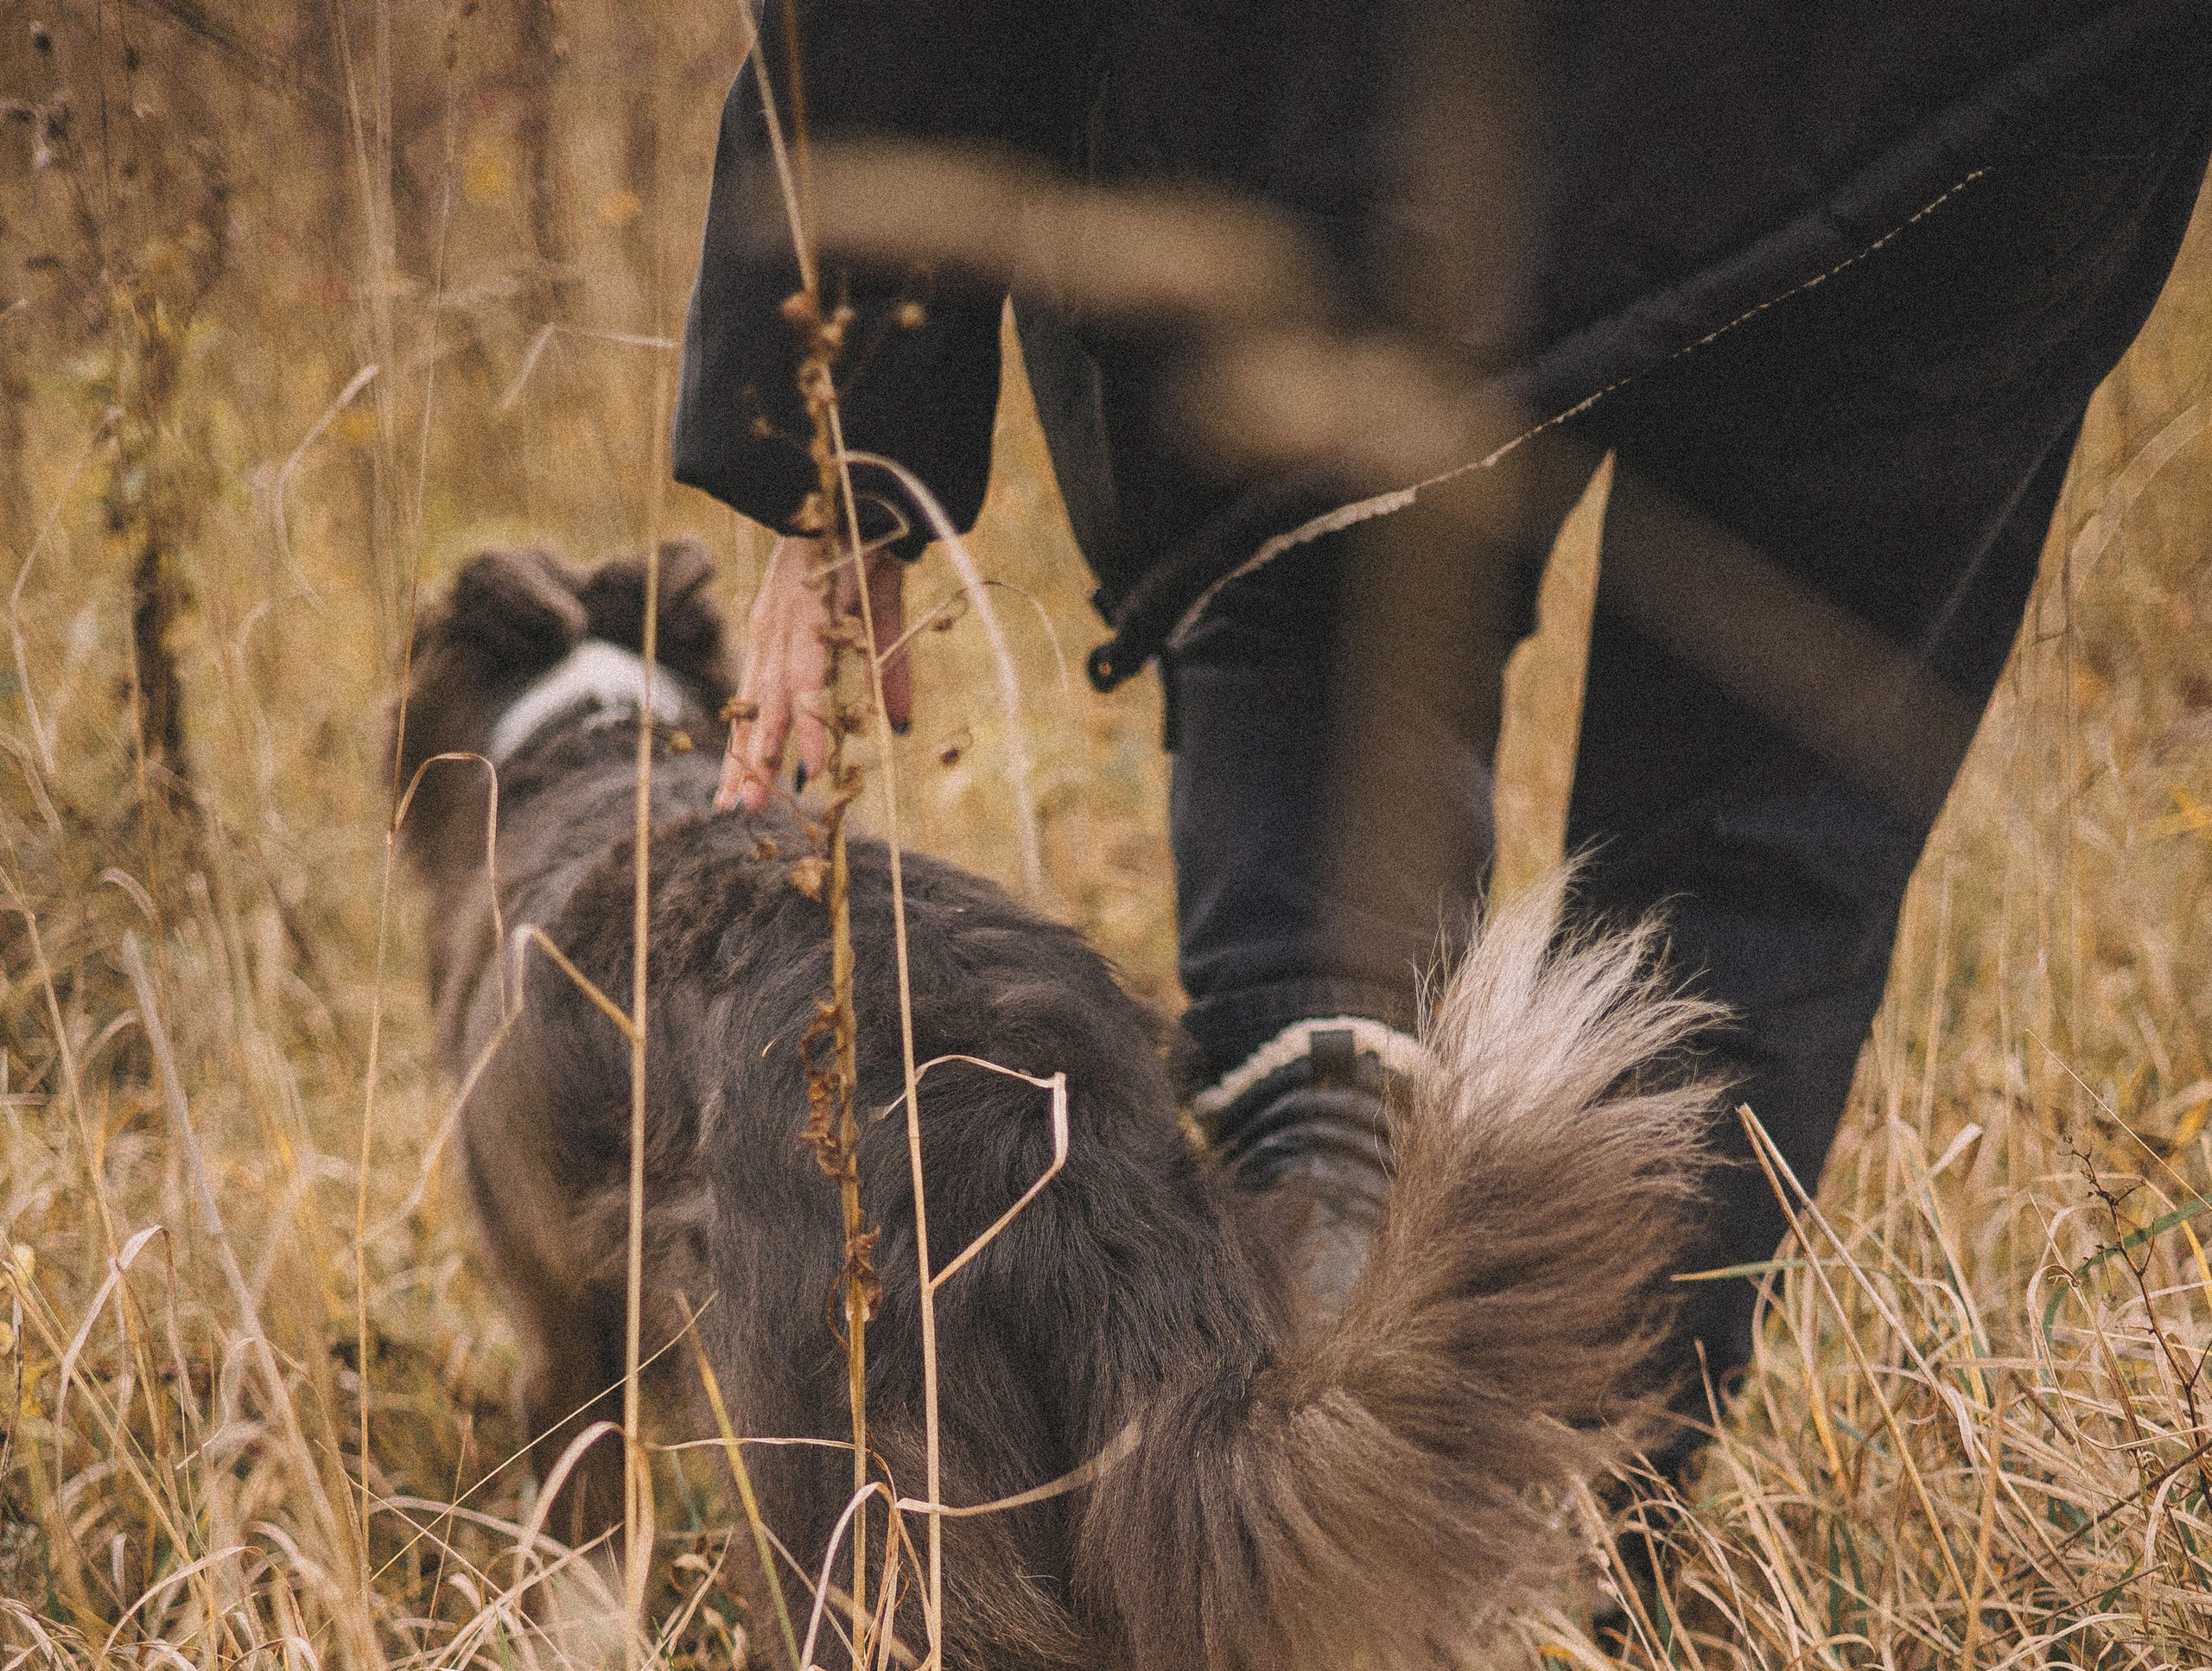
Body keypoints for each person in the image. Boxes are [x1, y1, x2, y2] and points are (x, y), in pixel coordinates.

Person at [673, 1, 2212, 1440]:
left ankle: (1349, 1461)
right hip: (1978, 78)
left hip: (1352, 93)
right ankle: (1554, 1572)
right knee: (1758, 839)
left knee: (1326, 647)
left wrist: (843, 424)